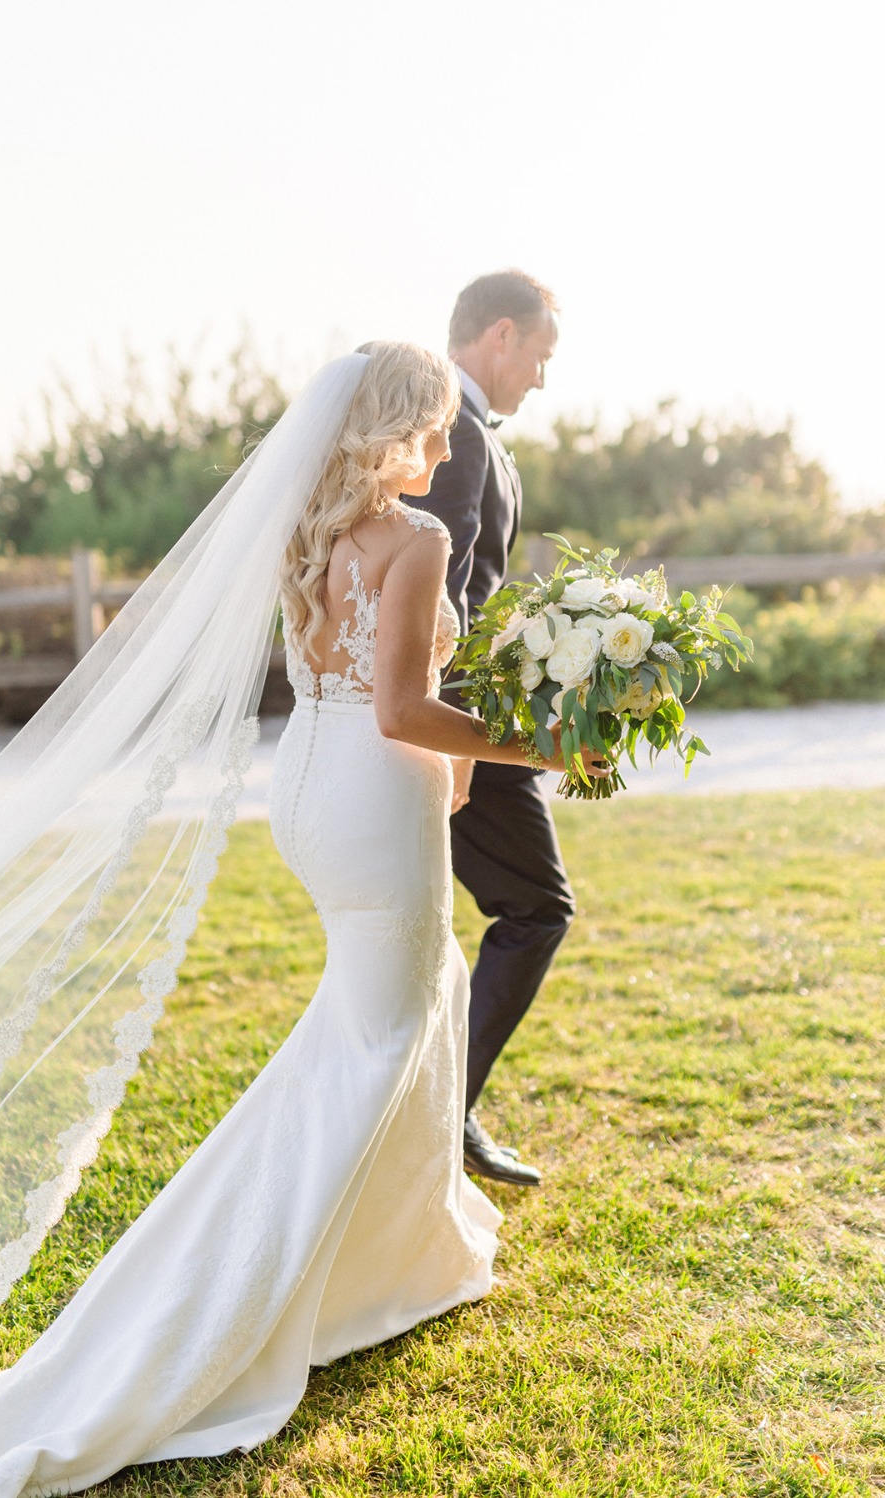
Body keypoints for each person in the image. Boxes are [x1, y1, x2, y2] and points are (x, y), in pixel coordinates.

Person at [0, 344, 605, 1496]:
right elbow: (408, 706)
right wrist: (548, 746)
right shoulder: (413, 541)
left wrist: (457, 772)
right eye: (428, 430)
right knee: (375, 1039)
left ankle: (391, 1258)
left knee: (400, 1012)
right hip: (374, 794)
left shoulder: (303, 532)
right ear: (391, 430)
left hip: (314, 790)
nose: (441, 450)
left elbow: (352, 691)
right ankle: (247, 1289)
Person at [411, 271, 575, 1188]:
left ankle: (437, 1112)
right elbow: (442, 601)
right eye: (540, 357)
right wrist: (465, 739)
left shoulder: (467, 434)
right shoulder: (459, 437)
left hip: (461, 711)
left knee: (436, 921)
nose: (541, 380)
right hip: (457, 721)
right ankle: (445, 1116)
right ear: (501, 335)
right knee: (536, 906)